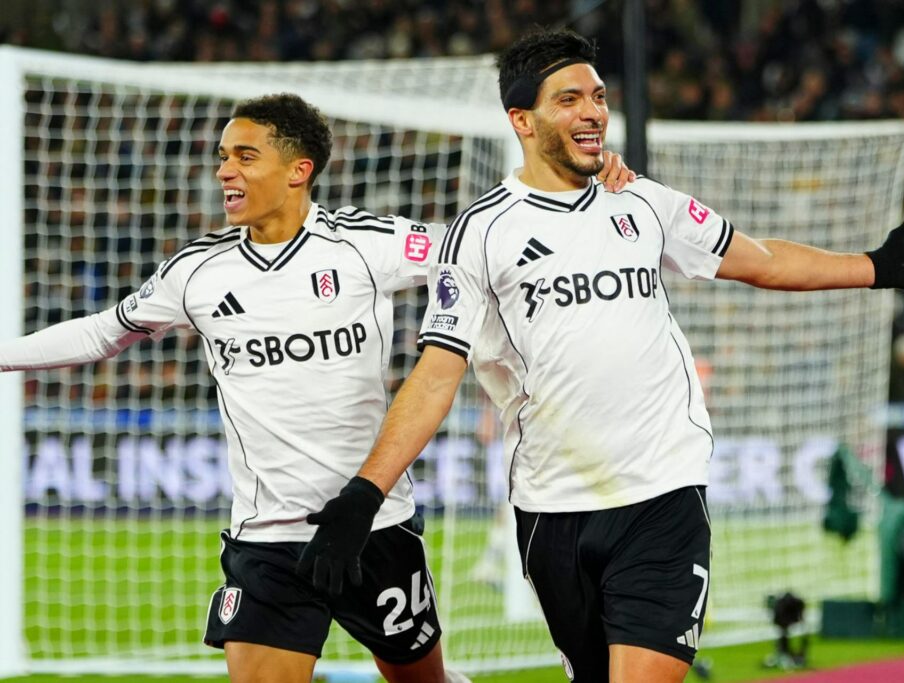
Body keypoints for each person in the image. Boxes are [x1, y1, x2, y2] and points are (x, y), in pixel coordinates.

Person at [297, 29, 904, 683]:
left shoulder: (644, 203)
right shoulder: (480, 234)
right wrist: (365, 493)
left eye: (598, 96)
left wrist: (874, 266)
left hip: (662, 495)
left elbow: (758, 259)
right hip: (552, 509)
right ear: (521, 121)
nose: (593, 111)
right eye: (569, 99)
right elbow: (436, 375)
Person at [0, 92, 635, 683]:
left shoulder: (365, 245)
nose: (225, 171)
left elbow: (491, 246)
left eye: (245, 156)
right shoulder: (194, 273)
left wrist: (590, 193)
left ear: (298, 169)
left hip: (375, 526)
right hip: (269, 539)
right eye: (223, 157)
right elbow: (101, 333)